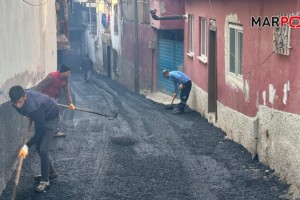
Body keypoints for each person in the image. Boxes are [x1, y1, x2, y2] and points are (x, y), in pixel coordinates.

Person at [9, 85, 59, 193]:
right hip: (40, 115)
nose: (18, 106)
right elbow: (24, 108)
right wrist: (29, 113)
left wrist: (26, 146)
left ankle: (45, 180)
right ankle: (50, 172)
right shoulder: (20, 100)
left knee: (43, 149)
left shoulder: (34, 106)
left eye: (20, 102)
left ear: (25, 97)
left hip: (51, 117)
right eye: (15, 103)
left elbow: (40, 130)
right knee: (38, 145)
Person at [35, 64, 75, 137]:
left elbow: (66, 90)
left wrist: (70, 102)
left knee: (54, 115)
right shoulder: (52, 77)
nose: (70, 75)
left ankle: (53, 131)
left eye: (70, 73)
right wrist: (38, 98)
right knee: (54, 114)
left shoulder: (65, 79)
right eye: (68, 73)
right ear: (62, 72)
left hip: (54, 98)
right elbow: (40, 86)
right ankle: (48, 132)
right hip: (46, 98)